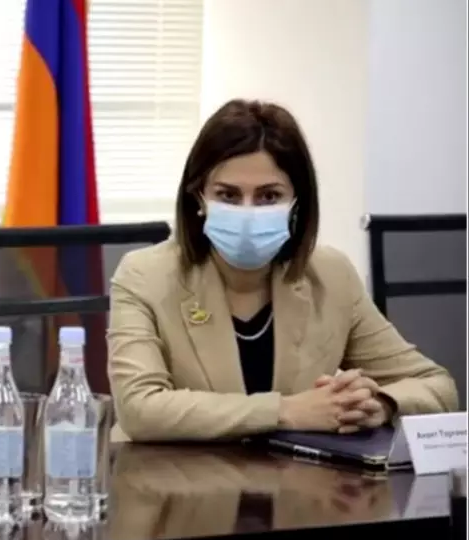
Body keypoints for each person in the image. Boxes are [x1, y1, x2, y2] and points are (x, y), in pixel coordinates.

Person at [107, 99, 458, 442]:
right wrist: (286, 411)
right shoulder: (144, 276)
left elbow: (435, 386)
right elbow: (139, 409)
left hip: (296, 478)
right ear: (199, 197)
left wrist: (378, 404)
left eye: (269, 196)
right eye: (228, 195)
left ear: (296, 203)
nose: (248, 211)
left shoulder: (331, 276)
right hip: (172, 477)